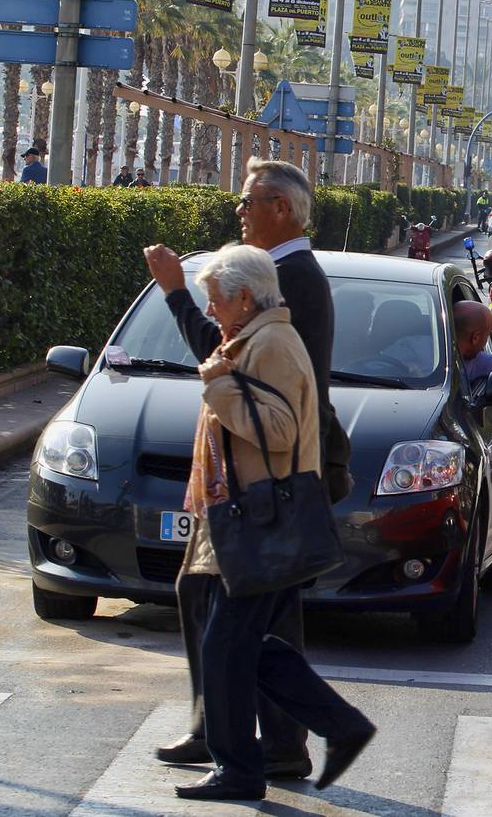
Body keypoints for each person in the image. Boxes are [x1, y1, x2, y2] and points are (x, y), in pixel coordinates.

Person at [143, 158, 352, 781]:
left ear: (282, 208)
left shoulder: (288, 280)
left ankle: (260, 740)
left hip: (267, 486)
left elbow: (241, 370)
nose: (239, 211)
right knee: (221, 606)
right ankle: (233, 731)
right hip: (248, 484)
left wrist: (176, 295)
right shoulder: (279, 274)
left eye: (250, 201)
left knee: (242, 618)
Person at [176, 243, 374, 801]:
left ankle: (240, 769)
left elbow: (279, 432)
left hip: (263, 517)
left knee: (225, 648)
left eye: (214, 300)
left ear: (244, 297)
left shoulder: (273, 344)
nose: (210, 311)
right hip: (248, 516)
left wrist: (217, 384)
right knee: (244, 645)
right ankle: (339, 726)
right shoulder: (254, 337)